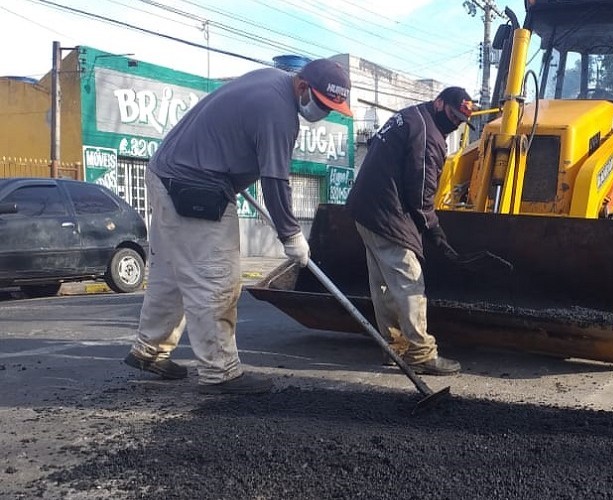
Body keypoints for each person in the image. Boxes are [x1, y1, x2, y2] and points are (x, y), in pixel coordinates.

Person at [123, 59, 353, 394]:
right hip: (194, 186)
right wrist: (291, 235)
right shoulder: (278, 113)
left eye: (333, 109)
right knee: (215, 278)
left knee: (171, 273)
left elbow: (236, 133)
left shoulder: (272, 79)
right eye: (323, 104)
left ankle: (149, 350)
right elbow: (276, 182)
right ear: (303, 87)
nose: (325, 113)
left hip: (167, 173)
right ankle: (220, 372)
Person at [345, 87, 476, 376]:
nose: (455, 123)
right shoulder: (428, 136)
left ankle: (395, 347)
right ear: (439, 103)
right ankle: (420, 353)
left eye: (460, 121)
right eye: (453, 115)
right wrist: (436, 233)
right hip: (387, 214)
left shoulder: (409, 116)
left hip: (364, 210)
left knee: (383, 284)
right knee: (409, 282)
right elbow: (420, 195)